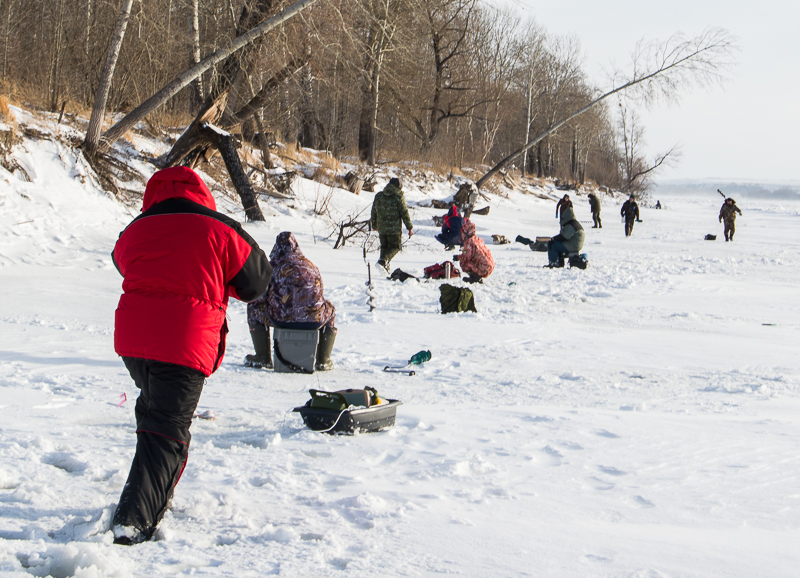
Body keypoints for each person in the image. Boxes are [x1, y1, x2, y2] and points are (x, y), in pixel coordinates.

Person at [111, 167, 271, 544]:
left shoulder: (135, 227)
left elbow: (120, 260)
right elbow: (258, 280)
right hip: (183, 342)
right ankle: (132, 525)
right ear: (200, 192)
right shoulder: (219, 227)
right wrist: (218, 275)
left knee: (155, 415)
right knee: (166, 429)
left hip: (134, 341)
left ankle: (149, 499)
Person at [263, 231, 337, 370]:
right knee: (331, 309)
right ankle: (323, 360)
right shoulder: (311, 266)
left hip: (280, 319)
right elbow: (320, 293)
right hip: (314, 320)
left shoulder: (272, 266)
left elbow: (262, 296)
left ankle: (263, 358)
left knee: (254, 307)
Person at [370, 177, 413, 272]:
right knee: (396, 247)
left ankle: (384, 267)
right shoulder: (398, 196)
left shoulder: (379, 196)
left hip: (382, 228)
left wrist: (374, 224)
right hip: (394, 229)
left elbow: (374, 211)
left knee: (384, 247)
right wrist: (409, 227)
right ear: (399, 186)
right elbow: (404, 213)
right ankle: (383, 262)